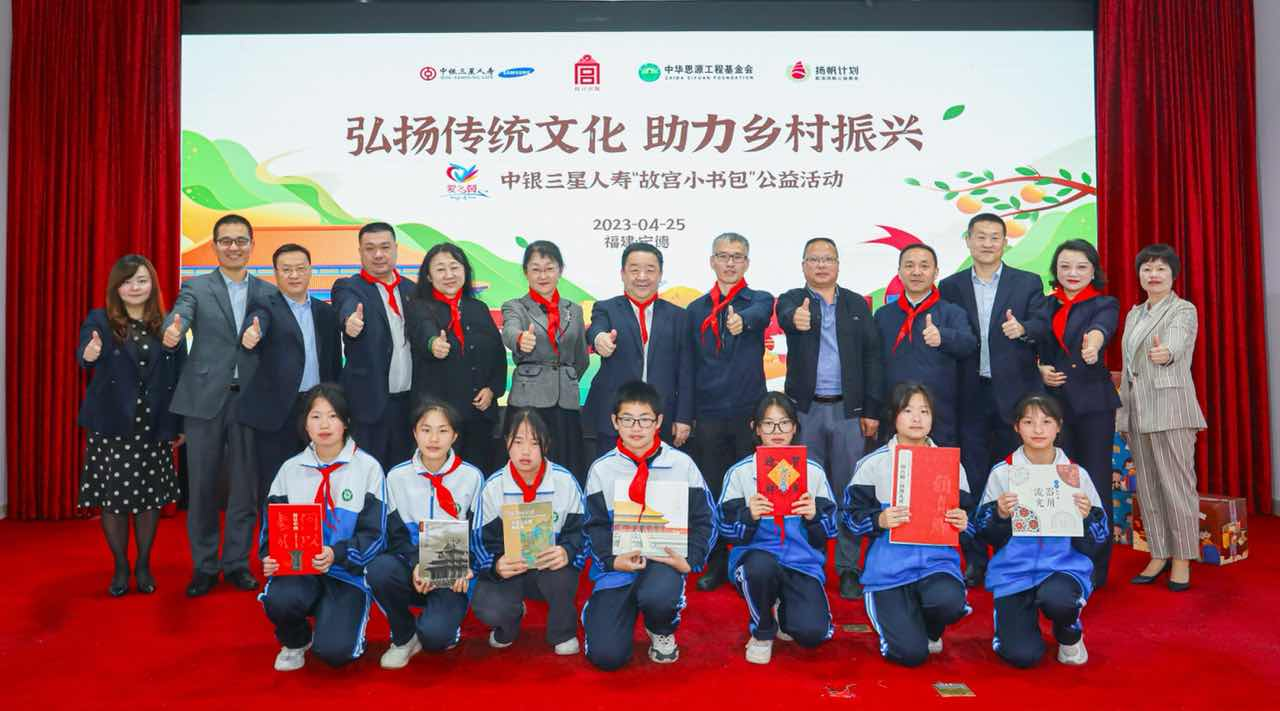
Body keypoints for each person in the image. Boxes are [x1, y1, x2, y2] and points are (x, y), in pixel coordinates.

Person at [163, 213, 278, 597]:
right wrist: (173, 330)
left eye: (241, 240)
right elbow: (179, 316)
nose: (233, 247)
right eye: (226, 241)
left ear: (251, 245)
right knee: (202, 488)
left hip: (249, 401)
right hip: (204, 401)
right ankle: (205, 566)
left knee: (245, 489)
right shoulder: (196, 287)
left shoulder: (267, 291)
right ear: (214, 246)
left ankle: (236, 564)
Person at [939, 213, 1053, 588]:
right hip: (970, 395)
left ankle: (1012, 554)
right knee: (971, 478)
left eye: (995, 237)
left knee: (1015, 477)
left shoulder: (1027, 282)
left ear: (1005, 242)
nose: (987, 243)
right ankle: (975, 558)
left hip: (1014, 397)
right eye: (981, 237)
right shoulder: (951, 286)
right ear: (968, 240)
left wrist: (1024, 329)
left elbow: (1043, 324)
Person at [775, 237, 884, 599]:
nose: (821, 265)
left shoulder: (856, 303)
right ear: (803, 266)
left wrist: (871, 409)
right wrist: (796, 318)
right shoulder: (793, 299)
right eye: (814, 259)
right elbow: (786, 316)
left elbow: (872, 358)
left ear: (838, 264)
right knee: (806, 491)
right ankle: (809, 562)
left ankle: (848, 567)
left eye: (828, 259)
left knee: (847, 490)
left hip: (848, 411)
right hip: (805, 411)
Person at [582, 381, 716, 670]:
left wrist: (690, 560)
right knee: (607, 657)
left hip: (663, 562)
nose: (636, 428)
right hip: (619, 565)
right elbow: (592, 526)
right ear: (614, 422)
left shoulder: (682, 465)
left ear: (658, 421)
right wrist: (612, 560)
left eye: (644, 419)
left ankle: (661, 627)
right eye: (627, 419)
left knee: (659, 595)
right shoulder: (602, 470)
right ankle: (601, 612)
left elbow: (706, 519)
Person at [257, 383, 389, 671]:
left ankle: (335, 618)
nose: (324, 425)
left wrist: (336, 553)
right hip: (299, 570)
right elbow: (270, 530)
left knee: (335, 653)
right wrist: (269, 556)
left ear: (346, 422)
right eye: (316, 417)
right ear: (305, 424)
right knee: (279, 599)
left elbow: (375, 536)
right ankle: (296, 640)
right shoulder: (290, 470)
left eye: (333, 416)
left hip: (346, 573)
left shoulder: (367, 468)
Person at [77, 254, 185, 596]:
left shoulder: (168, 325)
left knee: (149, 499)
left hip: (153, 426)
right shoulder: (100, 319)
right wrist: (89, 354)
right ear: (116, 287)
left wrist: (178, 425)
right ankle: (121, 566)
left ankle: (144, 564)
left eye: (141, 280)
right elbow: (84, 354)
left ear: (152, 284)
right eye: (127, 282)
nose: (134, 287)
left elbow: (179, 377)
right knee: (114, 500)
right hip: (113, 427)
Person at [844, 383, 973, 667]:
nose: (917, 418)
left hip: (937, 565)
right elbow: (849, 519)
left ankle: (931, 627)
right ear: (894, 417)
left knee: (949, 602)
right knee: (910, 655)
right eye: (908, 410)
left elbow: (971, 521)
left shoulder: (950, 464)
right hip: (888, 571)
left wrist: (964, 522)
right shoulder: (873, 464)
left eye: (924, 411)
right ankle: (901, 624)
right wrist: (878, 520)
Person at [974, 394, 1108, 668]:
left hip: (1062, 567)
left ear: (1058, 426)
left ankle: (1069, 632)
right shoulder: (1003, 473)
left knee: (1059, 600)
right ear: (1016, 427)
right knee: (1022, 656)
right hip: (1014, 571)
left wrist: (1086, 517)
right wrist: (999, 514)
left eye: (1046, 422)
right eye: (1028, 422)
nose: (1038, 429)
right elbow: (981, 530)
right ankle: (1012, 627)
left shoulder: (1075, 475)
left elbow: (1101, 535)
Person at [718, 392, 837, 664]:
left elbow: (830, 530)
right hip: (755, 560)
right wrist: (749, 516)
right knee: (760, 568)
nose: (777, 432)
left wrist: (814, 516)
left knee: (813, 634)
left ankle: (785, 609)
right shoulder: (740, 473)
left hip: (801, 562)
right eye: (769, 424)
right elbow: (724, 528)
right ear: (756, 428)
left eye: (784, 423)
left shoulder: (813, 471)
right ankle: (762, 631)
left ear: (795, 428)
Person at [687, 232, 775, 593]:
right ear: (712, 261)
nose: (729, 263)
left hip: (746, 414)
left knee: (749, 489)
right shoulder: (695, 310)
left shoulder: (759, 300)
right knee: (713, 489)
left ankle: (748, 556)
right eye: (723, 256)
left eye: (737, 256)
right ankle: (716, 558)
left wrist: (742, 321)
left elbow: (758, 315)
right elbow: (687, 367)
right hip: (707, 413)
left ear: (746, 263)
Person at [367, 397, 484, 669]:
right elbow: (394, 536)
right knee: (379, 569)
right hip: (411, 569)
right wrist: (416, 565)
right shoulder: (396, 477)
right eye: (426, 429)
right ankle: (404, 635)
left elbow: (478, 536)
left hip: (452, 576)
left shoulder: (472, 477)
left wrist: (467, 567)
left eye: (443, 431)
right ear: (414, 433)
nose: (433, 439)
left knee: (435, 638)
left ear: (454, 436)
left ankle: (439, 626)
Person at [1116, 244, 1206, 592]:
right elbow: (1128, 366)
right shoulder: (1134, 313)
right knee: (1149, 488)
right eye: (1147, 269)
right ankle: (1158, 552)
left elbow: (1177, 343)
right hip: (1137, 411)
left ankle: (1182, 556)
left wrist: (1165, 353)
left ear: (1173, 275)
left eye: (1160, 269)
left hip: (1170, 410)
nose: (1153, 275)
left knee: (1177, 486)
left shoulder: (1183, 309)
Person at [1036, 239, 1121, 588]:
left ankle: (1095, 564)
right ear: (1056, 269)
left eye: (1081, 267)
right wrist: (1039, 369)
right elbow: (1033, 345)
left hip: (1092, 406)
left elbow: (1103, 328)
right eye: (1065, 266)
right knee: (1056, 482)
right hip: (1053, 408)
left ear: (1093, 270)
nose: (1073, 273)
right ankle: (1060, 557)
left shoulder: (1104, 303)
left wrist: (1094, 346)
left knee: (1095, 482)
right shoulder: (1044, 304)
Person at [471, 408, 587, 655]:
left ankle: (562, 632)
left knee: (562, 577)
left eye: (534, 443)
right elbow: (479, 542)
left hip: (549, 569)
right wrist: (496, 565)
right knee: (489, 607)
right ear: (507, 443)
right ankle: (510, 621)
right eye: (518, 442)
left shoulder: (564, 481)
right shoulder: (494, 487)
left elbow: (582, 531)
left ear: (546, 445)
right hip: (511, 570)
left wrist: (566, 552)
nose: (525, 451)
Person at [237, 243, 342, 508]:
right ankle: (274, 534)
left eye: (300, 269)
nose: (294, 275)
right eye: (286, 270)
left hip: (317, 408)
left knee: (318, 479)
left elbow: (332, 363)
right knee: (275, 484)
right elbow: (256, 323)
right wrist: (251, 335)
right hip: (277, 412)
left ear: (310, 271)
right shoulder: (264, 305)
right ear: (276, 273)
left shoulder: (326, 312)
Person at [584, 243, 694, 456]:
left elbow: (686, 371)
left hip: (661, 416)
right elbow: (596, 329)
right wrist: (599, 339)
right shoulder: (606, 308)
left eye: (650, 270)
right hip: (614, 417)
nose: (642, 276)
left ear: (660, 274)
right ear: (622, 274)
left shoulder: (679, 316)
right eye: (634, 270)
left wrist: (683, 417)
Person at [407, 243, 506, 474]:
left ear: (465, 271)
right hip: (440, 421)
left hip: (479, 417)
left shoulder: (479, 308)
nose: (449, 275)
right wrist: (434, 344)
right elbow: (424, 333)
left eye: (454, 267)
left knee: (479, 475)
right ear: (429, 276)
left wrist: (492, 389)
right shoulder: (419, 307)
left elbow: (497, 354)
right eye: (440, 269)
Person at [331, 222, 417, 472]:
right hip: (369, 406)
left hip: (409, 405)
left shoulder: (412, 290)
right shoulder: (349, 286)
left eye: (385, 247)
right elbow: (346, 305)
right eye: (370, 248)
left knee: (404, 475)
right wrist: (350, 321)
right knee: (366, 475)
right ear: (360, 252)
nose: (378, 254)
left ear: (396, 249)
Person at [500, 240, 589, 481]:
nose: (543, 276)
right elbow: (510, 331)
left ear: (560, 270)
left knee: (566, 469)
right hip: (528, 401)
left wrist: (565, 379)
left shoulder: (574, 310)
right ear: (525, 272)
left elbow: (581, 358)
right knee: (526, 468)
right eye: (536, 269)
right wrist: (520, 339)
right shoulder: (515, 306)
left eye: (549, 268)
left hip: (565, 403)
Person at [873, 244, 975, 447]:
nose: (917, 272)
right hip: (893, 413)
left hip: (940, 414)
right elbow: (873, 364)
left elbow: (969, 344)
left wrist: (943, 337)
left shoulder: (952, 312)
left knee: (936, 466)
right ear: (899, 272)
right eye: (909, 265)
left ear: (936, 272)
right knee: (895, 465)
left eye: (924, 266)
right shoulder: (883, 315)